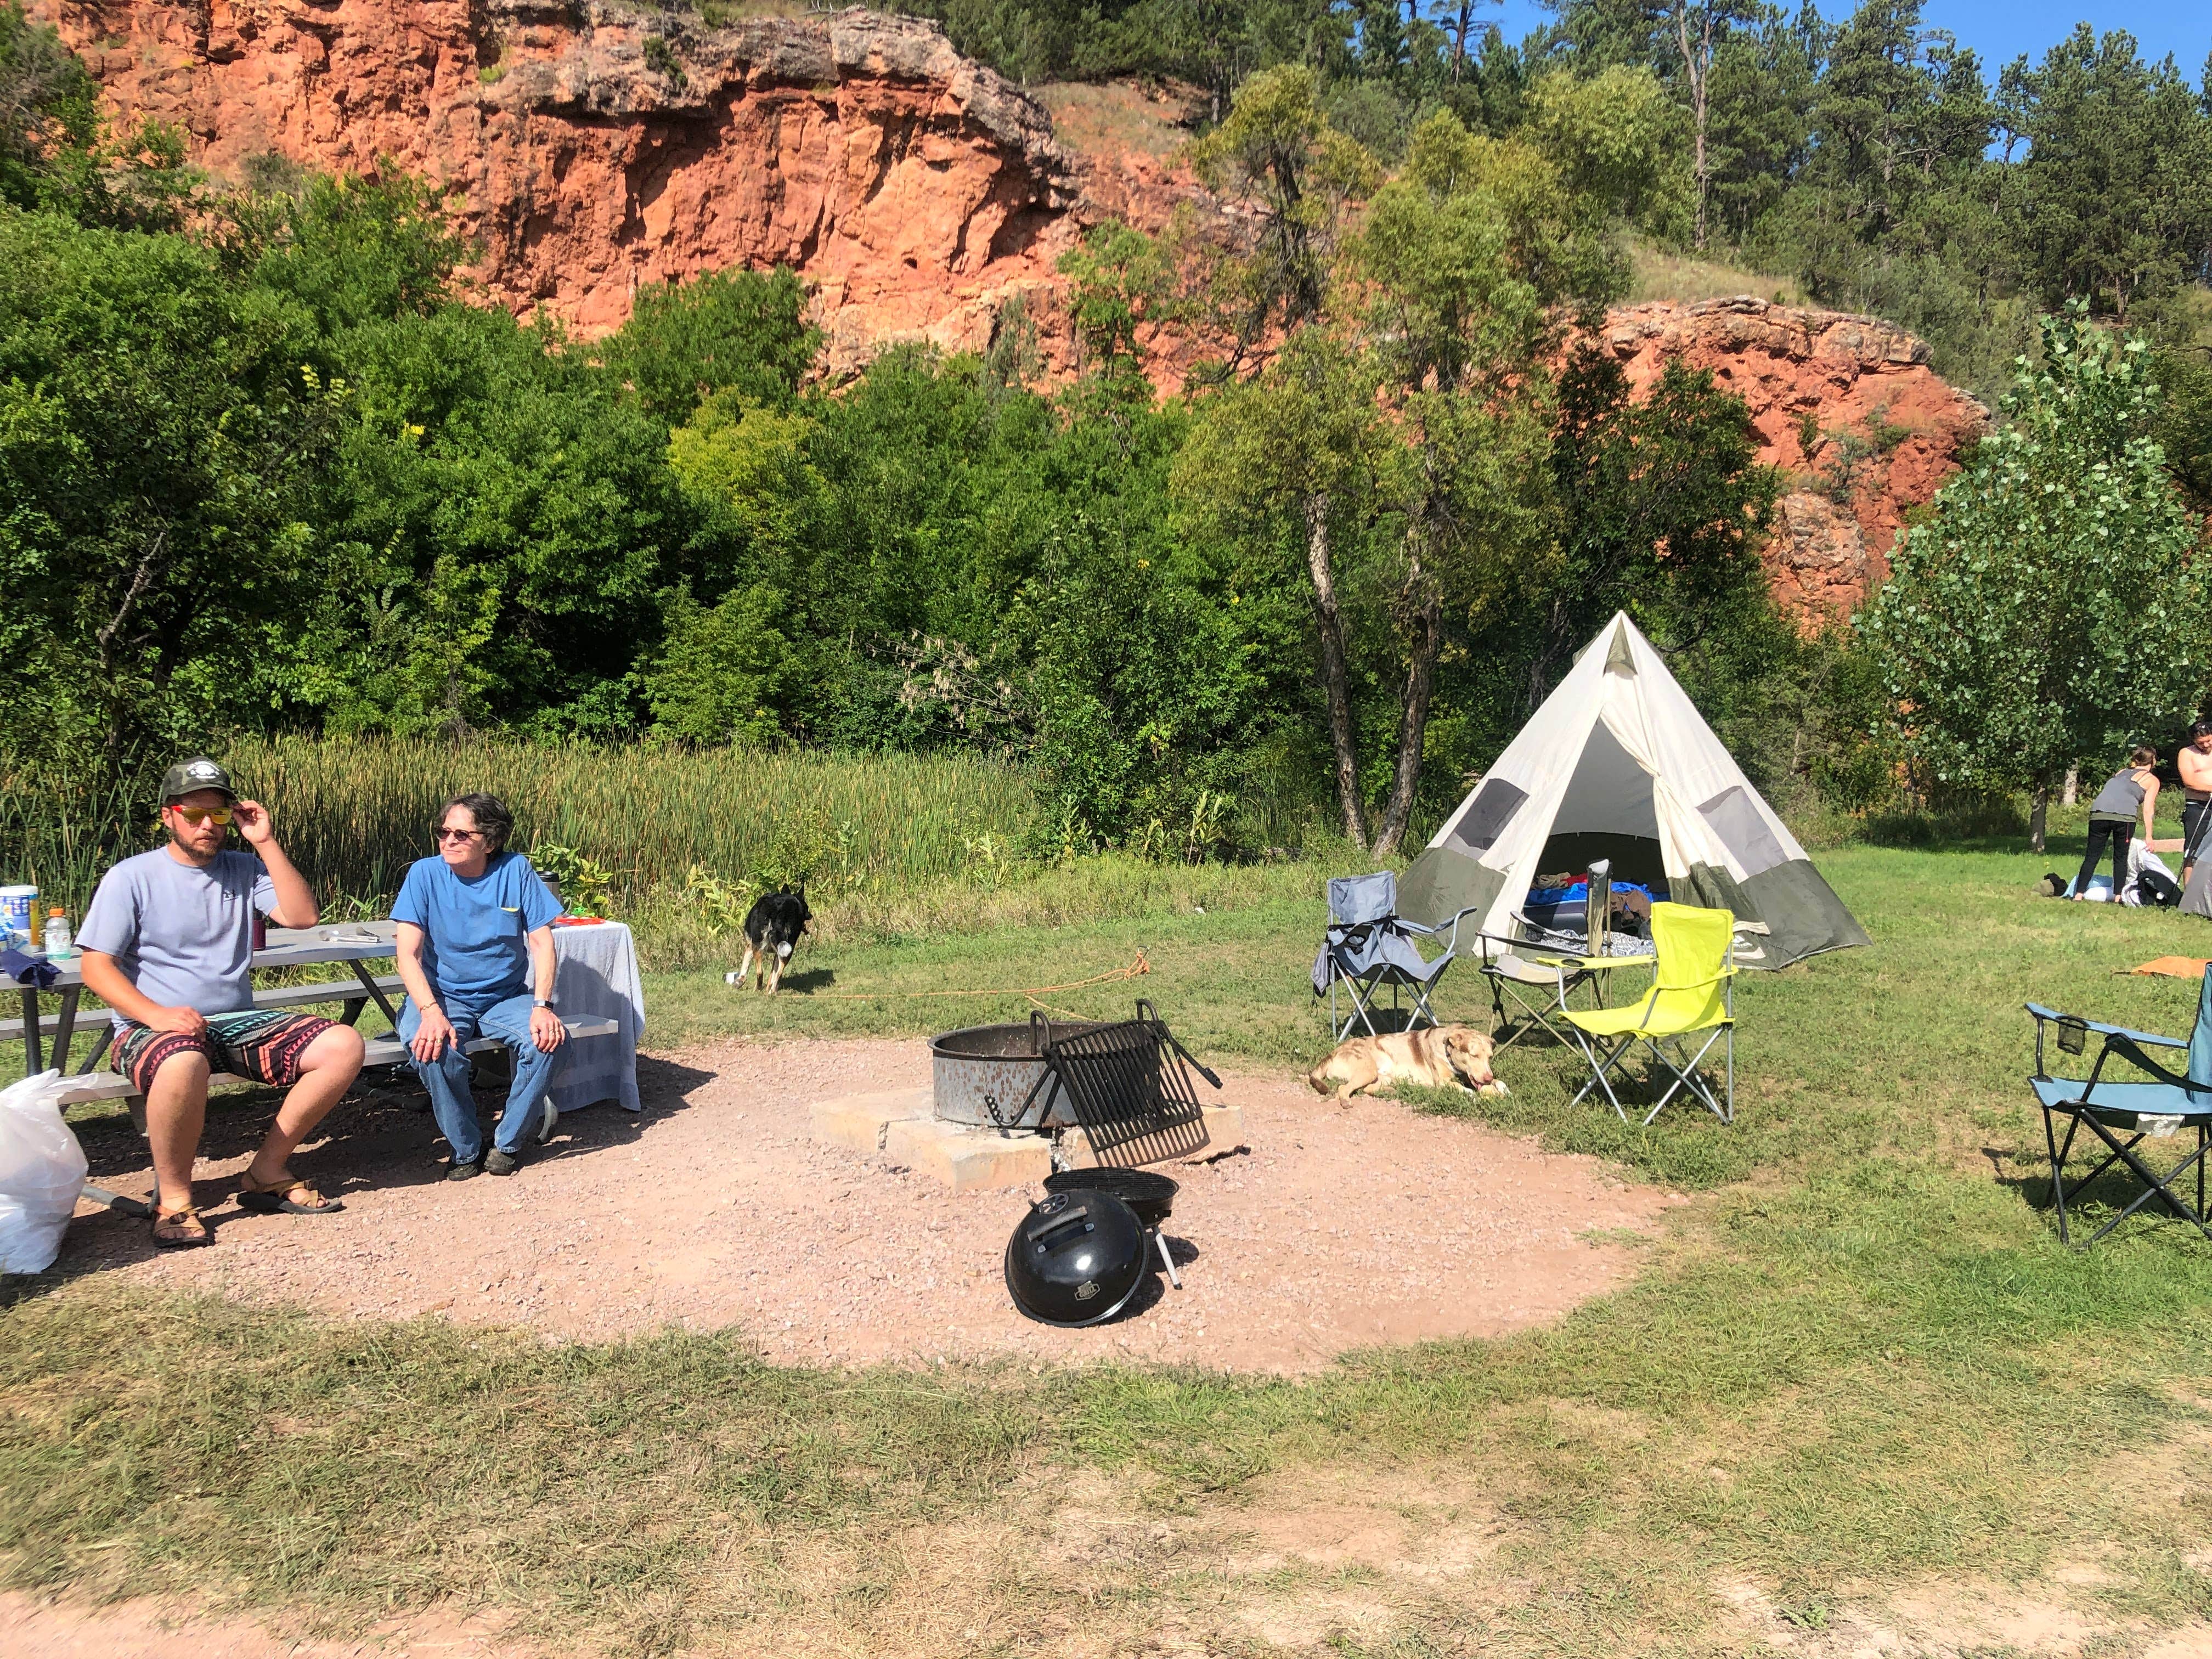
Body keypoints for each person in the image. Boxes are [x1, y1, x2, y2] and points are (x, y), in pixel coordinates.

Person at [77, 758, 365, 1248]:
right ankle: (174, 1199)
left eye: (218, 813)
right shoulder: (131, 877)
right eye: (193, 814)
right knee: (184, 1060)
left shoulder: (244, 868)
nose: (207, 825)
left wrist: (265, 842)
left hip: (234, 1022)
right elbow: (96, 966)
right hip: (147, 1028)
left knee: (344, 1044)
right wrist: (156, 1015)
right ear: (168, 816)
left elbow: (302, 917)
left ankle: (267, 1170)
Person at [391, 794, 567, 1179]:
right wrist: (430, 1013)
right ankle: (466, 1147)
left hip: (504, 997)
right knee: (432, 1048)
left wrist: (543, 1006)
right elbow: (408, 954)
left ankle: (507, 1142)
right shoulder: (423, 874)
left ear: (490, 841)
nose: (448, 841)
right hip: (441, 997)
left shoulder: (516, 870)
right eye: (443, 832)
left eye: (461, 834)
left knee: (550, 1042)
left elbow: (542, 943)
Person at [2072, 746, 2162, 902]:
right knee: (2121, 857)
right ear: (2153, 761)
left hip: (2098, 814)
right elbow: (2148, 809)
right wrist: (2149, 836)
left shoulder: (2121, 772)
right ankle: (2119, 896)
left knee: (2092, 855)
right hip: (2124, 818)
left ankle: (2079, 894)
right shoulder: (2152, 780)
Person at [2180, 720, 2212, 884]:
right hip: (2198, 805)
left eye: (2209, 740)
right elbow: (2189, 782)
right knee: (2193, 849)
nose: (2206, 745)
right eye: (2201, 743)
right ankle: (2189, 891)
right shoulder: (2187, 753)